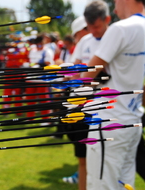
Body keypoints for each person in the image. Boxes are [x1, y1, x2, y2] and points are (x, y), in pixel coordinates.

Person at [81, 0, 145, 189]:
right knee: (124, 184)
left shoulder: (120, 29)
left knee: (101, 185)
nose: (114, 9)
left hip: (109, 122)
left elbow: (86, 76)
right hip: (132, 122)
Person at [61, 2, 111, 190]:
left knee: (104, 162)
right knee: (83, 159)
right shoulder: (85, 41)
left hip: (105, 108)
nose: (93, 31)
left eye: (96, 26)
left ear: (106, 21)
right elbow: (75, 71)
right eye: (89, 27)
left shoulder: (114, 39)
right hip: (82, 106)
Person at [25, 35, 54, 120]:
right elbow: (30, 62)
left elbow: (49, 63)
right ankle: (30, 117)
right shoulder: (32, 50)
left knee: (44, 99)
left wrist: (40, 64)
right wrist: (31, 65)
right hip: (31, 77)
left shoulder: (47, 51)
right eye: (37, 44)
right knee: (30, 99)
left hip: (42, 78)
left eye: (40, 44)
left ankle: (46, 118)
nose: (38, 46)